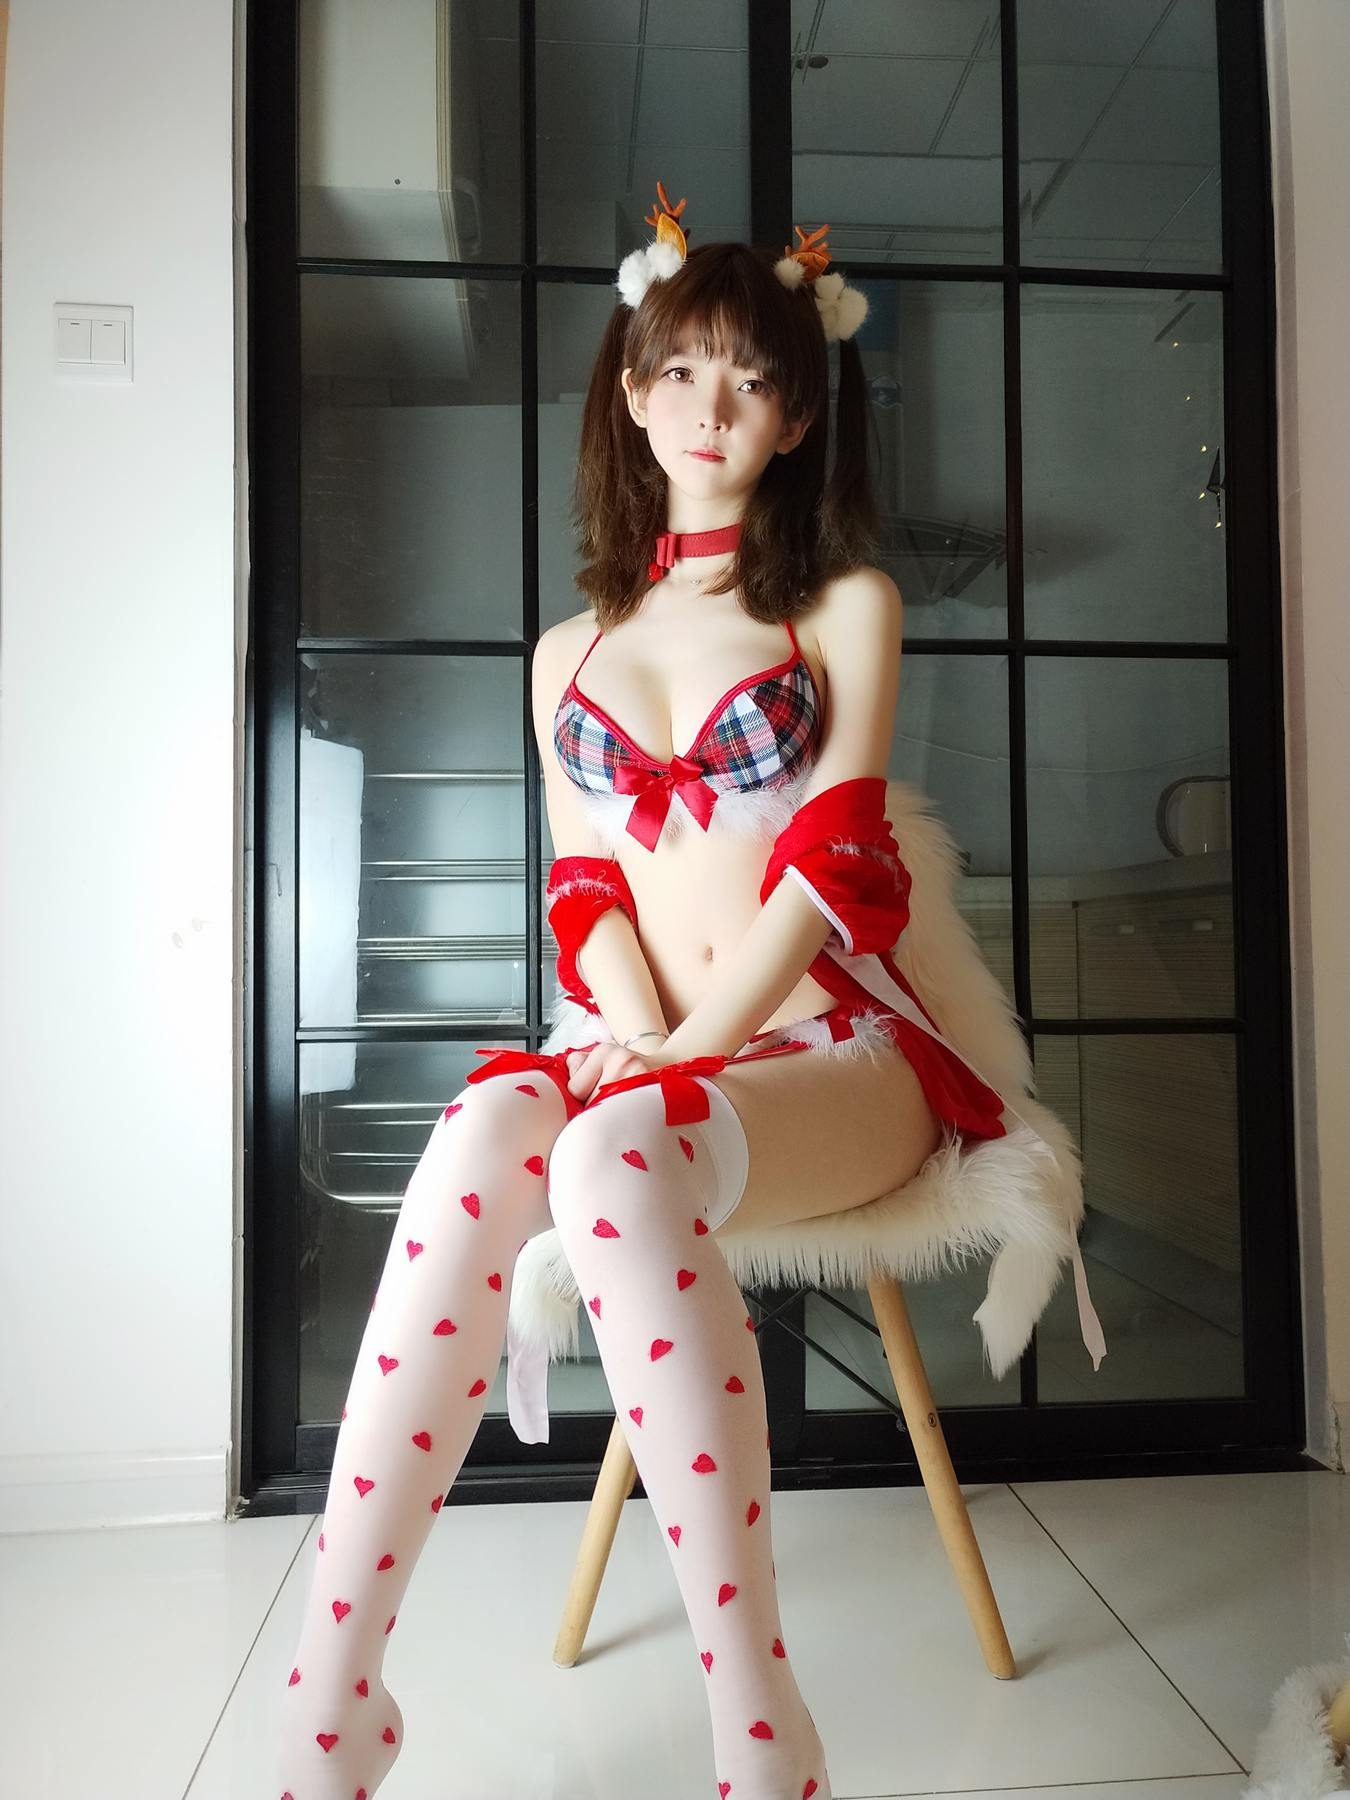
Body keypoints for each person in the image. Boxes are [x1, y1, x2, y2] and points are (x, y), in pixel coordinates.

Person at [274, 183, 1061, 1800]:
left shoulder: (840, 607)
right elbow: (583, 889)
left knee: (619, 1152)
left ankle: (758, 1727)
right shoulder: (564, 654)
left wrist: (690, 1051)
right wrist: (634, 1037)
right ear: (630, 393)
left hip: (835, 1051)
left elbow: (836, 865)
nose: (714, 406)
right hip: (653, 1047)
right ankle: (335, 1691)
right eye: (683, 370)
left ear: (795, 418)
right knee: (490, 1127)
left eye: (754, 380)